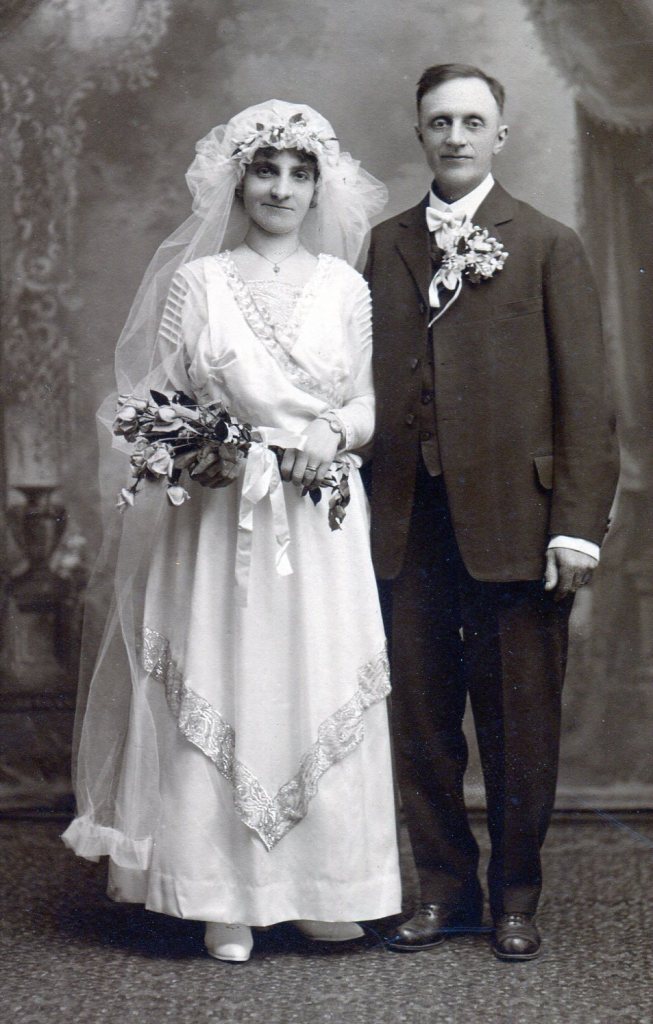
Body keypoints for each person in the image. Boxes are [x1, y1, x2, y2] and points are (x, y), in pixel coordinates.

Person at [62, 100, 401, 963]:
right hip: (220, 523)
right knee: (229, 678)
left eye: (299, 174)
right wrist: (197, 450)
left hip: (317, 521)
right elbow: (155, 403)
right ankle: (221, 895)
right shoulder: (199, 284)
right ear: (237, 182)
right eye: (265, 171)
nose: (281, 189)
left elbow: (367, 402)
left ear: (319, 188)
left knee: (316, 681)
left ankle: (324, 889)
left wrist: (333, 430)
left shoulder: (346, 288)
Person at [365, 64, 619, 960]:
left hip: (520, 524)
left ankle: (514, 896)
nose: (456, 136)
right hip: (405, 525)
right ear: (419, 133)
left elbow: (586, 401)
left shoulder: (546, 243)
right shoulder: (382, 245)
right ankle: (445, 891)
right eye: (440, 121)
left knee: (519, 728)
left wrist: (575, 527)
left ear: (499, 135)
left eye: (473, 121)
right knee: (422, 726)